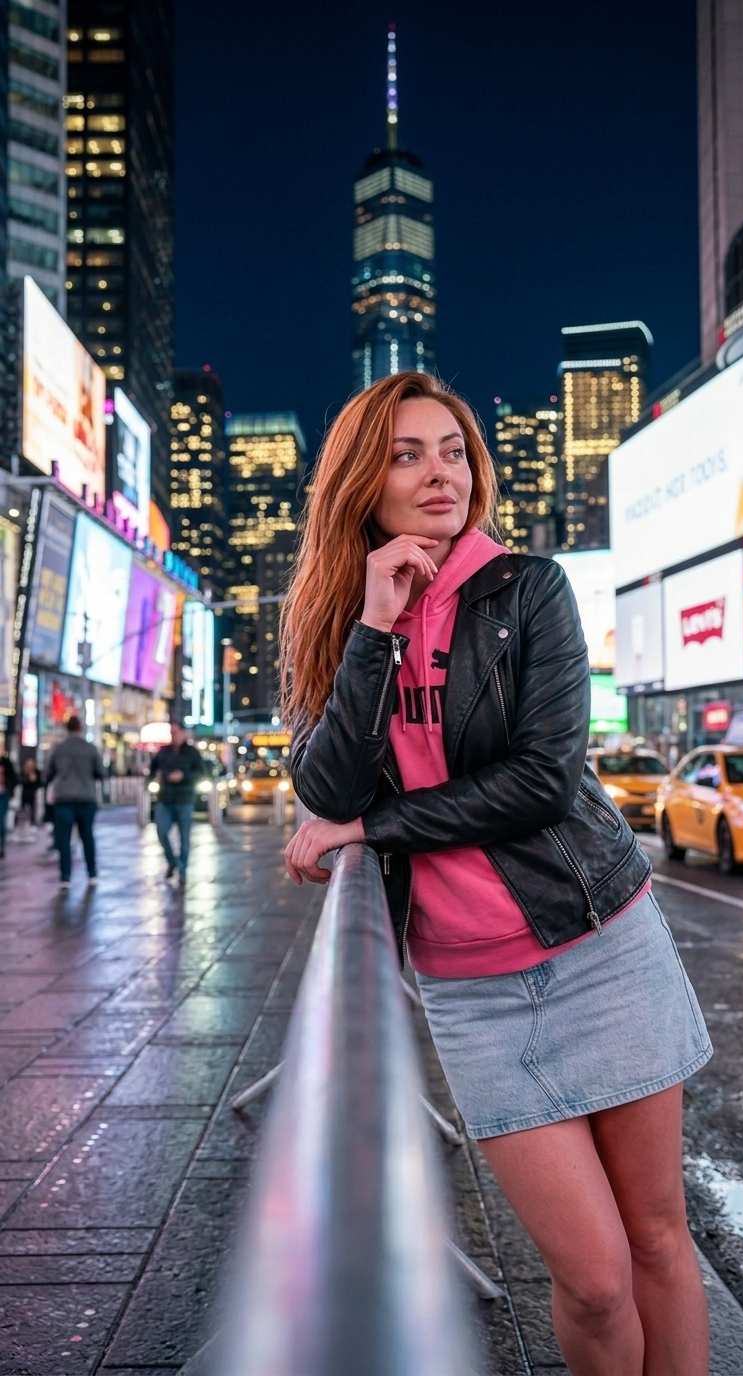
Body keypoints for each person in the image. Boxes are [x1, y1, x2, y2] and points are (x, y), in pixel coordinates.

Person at [280, 373, 712, 1376]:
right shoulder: (345, 618)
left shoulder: (530, 589)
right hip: (473, 991)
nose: (442, 474)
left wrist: (374, 826)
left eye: (454, 451)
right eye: (408, 455)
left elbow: (542, 781)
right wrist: (376, 628)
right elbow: (324, 782)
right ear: (362, 483)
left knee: (655, 1239)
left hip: (601, 944)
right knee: (593, 1278)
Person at [45, 715, 105, 889]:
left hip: (63, 798)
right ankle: (92, 873)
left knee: (64, 838)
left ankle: (65, 877)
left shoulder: (59, 749)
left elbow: (48, 773)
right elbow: (101, 772)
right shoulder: (90, 748)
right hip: (86, 797)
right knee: (87, 835)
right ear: (81, 728)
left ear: (66, 728)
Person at [149, 722, 204, 886]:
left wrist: (184, 776)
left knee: (184, 838)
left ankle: (182, 871)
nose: (174, 735)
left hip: (185, 800)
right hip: (165, 799)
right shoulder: (163, 751)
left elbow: (201, 773)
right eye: (171, 732)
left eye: (176, 732)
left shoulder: (192, 753)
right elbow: (152, 769)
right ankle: (172, 861)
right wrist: (153, 778)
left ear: (183, 733)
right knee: (161, 831)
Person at [17, 758, 43, 842]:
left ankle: (32, 823)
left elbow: (40, 783)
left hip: (33, 795)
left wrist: (34, 780)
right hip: (25, 794)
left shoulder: (37, 772)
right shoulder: (23, 773)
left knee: (33, 809)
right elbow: (20, 782)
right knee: (23, 811)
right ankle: (21, 825)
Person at [0, 750, 18, 859]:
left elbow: (13, 779)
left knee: (1, 821)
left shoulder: (6, 763)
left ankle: (2, 846)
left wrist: (8, 787)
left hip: (3, 795)